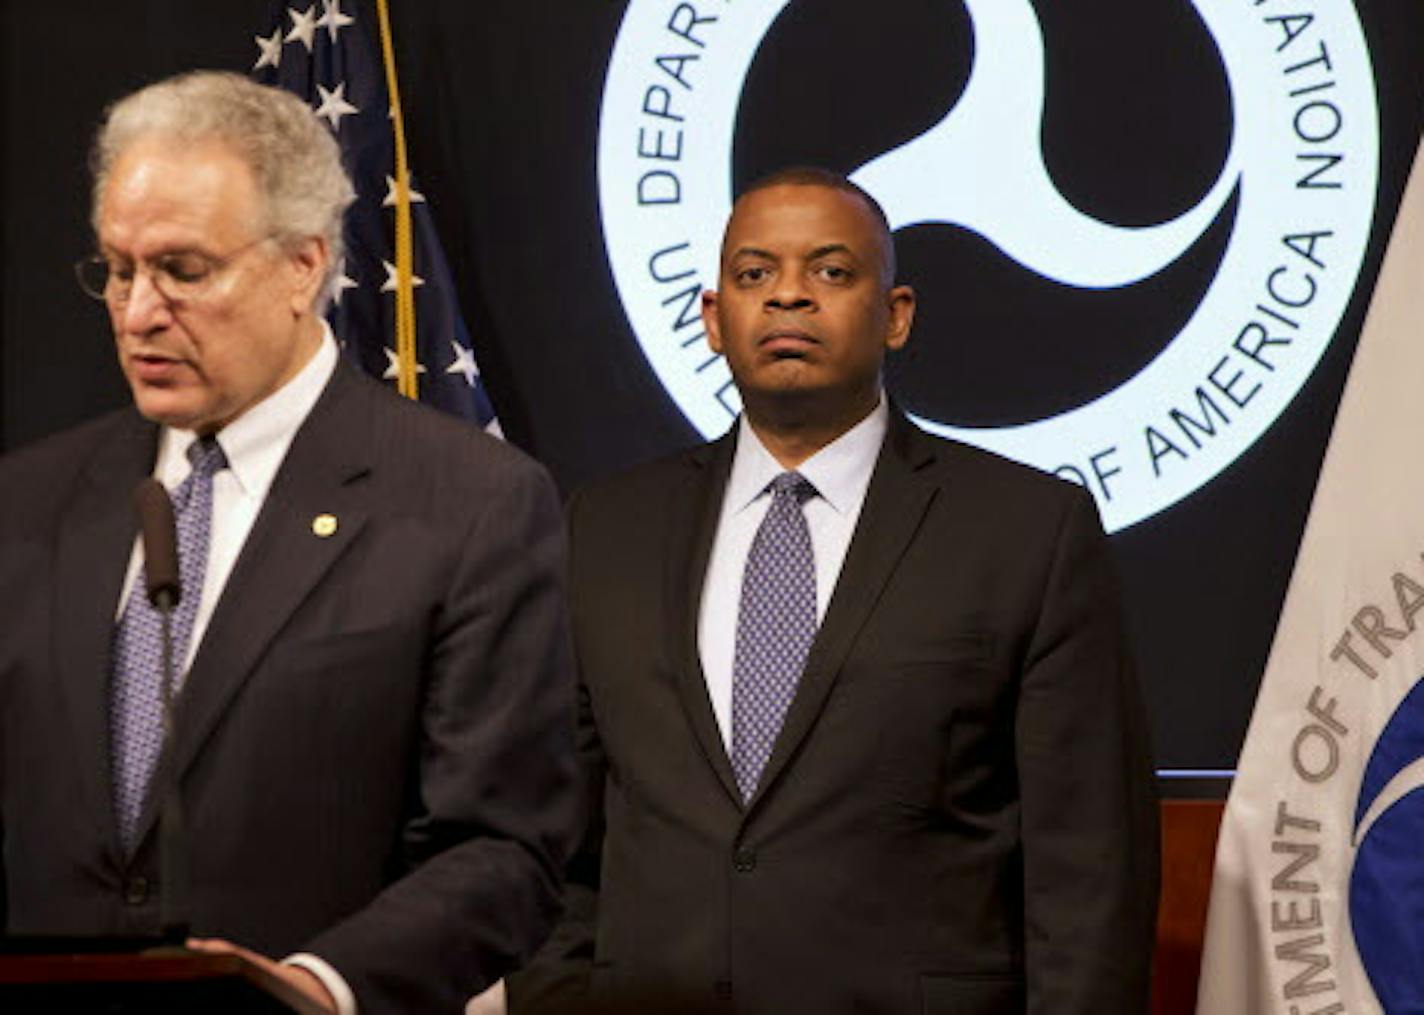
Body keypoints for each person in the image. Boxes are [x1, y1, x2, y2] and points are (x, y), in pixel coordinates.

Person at [509, 167, 1159, 1013]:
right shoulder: (605, 527)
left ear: (896, 315)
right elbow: (556, 840)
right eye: (754, 274)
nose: (788, 297)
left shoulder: (1028, 530)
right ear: (713, 318)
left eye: (830, 271)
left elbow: (1090, 872)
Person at [0, 71, 577, 1013]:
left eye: (184, 271)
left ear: (304, 265)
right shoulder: (28, 500)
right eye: (117, 268)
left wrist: (317, 988)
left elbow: (503, 849)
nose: (139, 311)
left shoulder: (470, 503)